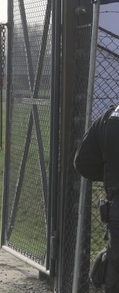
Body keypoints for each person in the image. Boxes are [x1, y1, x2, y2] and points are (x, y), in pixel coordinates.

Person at [75, 105, 119, 291]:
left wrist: (111, 179)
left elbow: (83, 162)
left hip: (117, 204)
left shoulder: (110, 115)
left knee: (115, 269)